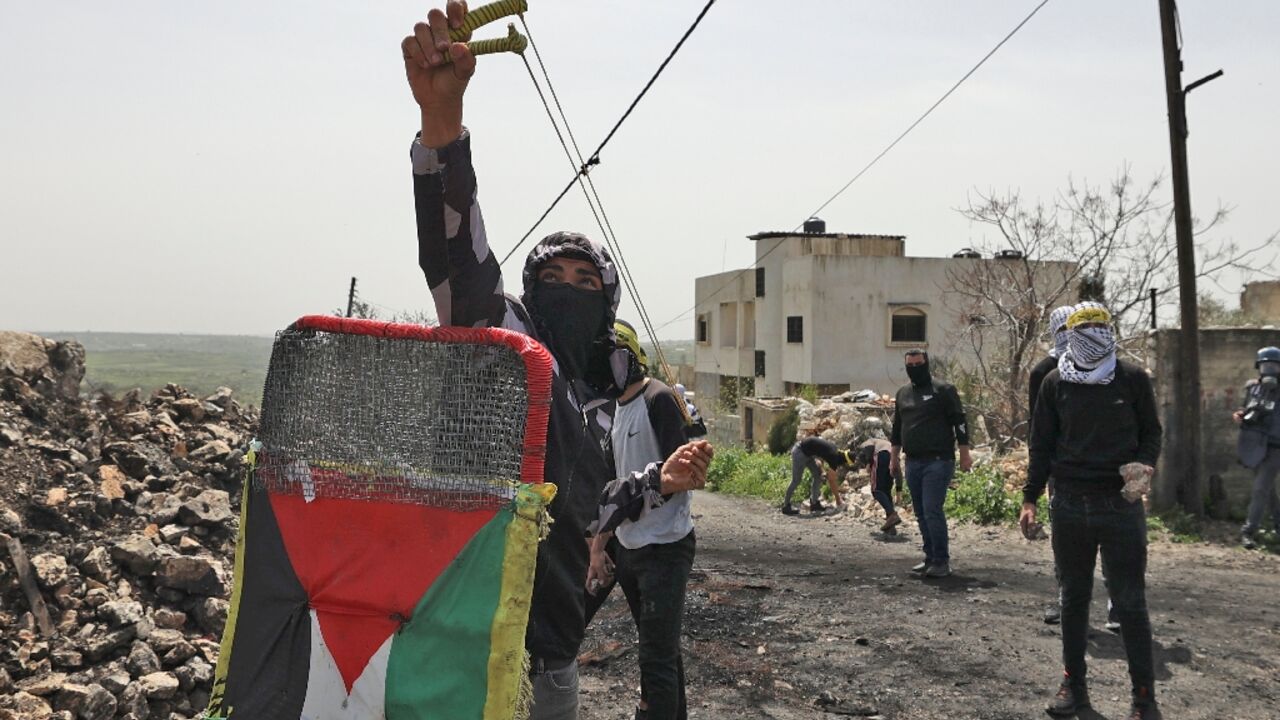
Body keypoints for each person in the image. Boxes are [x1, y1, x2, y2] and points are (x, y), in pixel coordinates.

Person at [402, 9, 711, 717]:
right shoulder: (511, 343)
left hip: (555, 649)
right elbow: (457, 260)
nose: (568, 291)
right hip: (475, 630)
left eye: (586, 282)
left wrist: (656, 480)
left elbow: (586, 508)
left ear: (607, 305)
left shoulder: (593, 398)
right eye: (554, 278)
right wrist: (442, 124)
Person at [1020, 302, 1163, 720]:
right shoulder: (1053, 382)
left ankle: (1143, 700)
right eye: (1082, 335)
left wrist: (1144, 465)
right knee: (1073, 600)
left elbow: (1151, 431)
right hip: (1068, 505)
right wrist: (1030, 498)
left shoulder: (1132, 378)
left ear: (1109, 333)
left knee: (1130, 604)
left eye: (1099, 332)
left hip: (1120, 506)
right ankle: (1073, 687)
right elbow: (1041, 444)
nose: (1091, 342)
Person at [585, 321, 699, 720]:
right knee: (660, 651)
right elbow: (611, 489)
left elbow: (684, 478)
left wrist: (646, 487)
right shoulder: (614, 410)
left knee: (656, 658)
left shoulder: (660, 398)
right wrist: (598, 548)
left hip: (665, 546)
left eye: (614, 356)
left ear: (632, 357)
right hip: (631, 546)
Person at [889, 349, 972, 578]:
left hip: (938, 461)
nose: (915, 368)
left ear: (926, 364)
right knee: (920, 512)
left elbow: (960, 422)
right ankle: (930, 557)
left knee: (932, 509)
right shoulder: (903, 393)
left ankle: (942, 560)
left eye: (918, 364)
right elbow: (897, 429)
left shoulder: (943, 390)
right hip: (912, 462)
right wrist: (894, 458)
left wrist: (965, 454)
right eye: (910, 365)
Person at [1031, 305, 1076, 626]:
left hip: (1105, 470)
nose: (1070, 337)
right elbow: (1039, 430)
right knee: (1065, 536)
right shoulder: (1044, 373)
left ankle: (1118, 606)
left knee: (1116, 542)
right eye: (1062, 330)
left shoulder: (1111, 370)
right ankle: (1067, 600)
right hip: (1062, 471)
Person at [1233, 345, 1280, 550]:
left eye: (1273, 365)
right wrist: (1240, 415)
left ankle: (1248, 532)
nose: (1269, 369)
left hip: (1274, 447)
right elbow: (1246, 409)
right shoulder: (1252, 388)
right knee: (1267, 490)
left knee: (1260, 489)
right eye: (1265, 365)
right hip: (1254, 446)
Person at [782, 436, 850, 515]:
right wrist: (838, 500)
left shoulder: (834, 450)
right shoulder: (833, 456)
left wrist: (822, 472)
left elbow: (821, 457)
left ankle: (814, 504)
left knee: (818, 476)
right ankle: (786, 506)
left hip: (809, 454)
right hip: (799, 452)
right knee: (796, 480)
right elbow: (830, 478)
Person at [855, 437, 902, 533]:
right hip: (894, 457)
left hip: (881, 456)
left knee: (876, 490)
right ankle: (891, 526)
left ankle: (892, 515)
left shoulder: (869, 441)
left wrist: (868, 462)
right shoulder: (886, 443)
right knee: (886, 491)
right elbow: (899, 474)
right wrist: (898, 491)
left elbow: (869, 447)